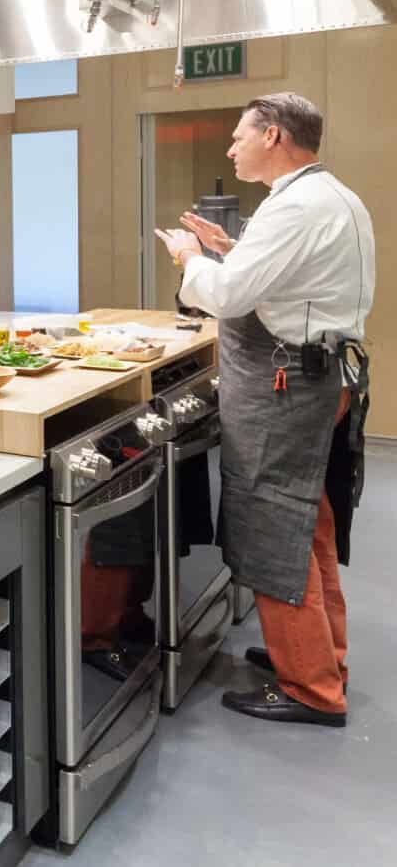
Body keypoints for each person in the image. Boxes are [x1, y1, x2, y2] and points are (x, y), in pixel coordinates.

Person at [155, 92, 375, 729]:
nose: (230, 148)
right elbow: (282, 279)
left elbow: (226, 297)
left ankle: (309, 687)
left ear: (273, 135)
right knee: (311, 523)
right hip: (324, 378)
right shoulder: (328, 195)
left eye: (238, 137)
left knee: (277, 525)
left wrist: (192, 259)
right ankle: (321, 657)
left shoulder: (296, 207)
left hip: (287, 386)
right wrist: (230, 248)